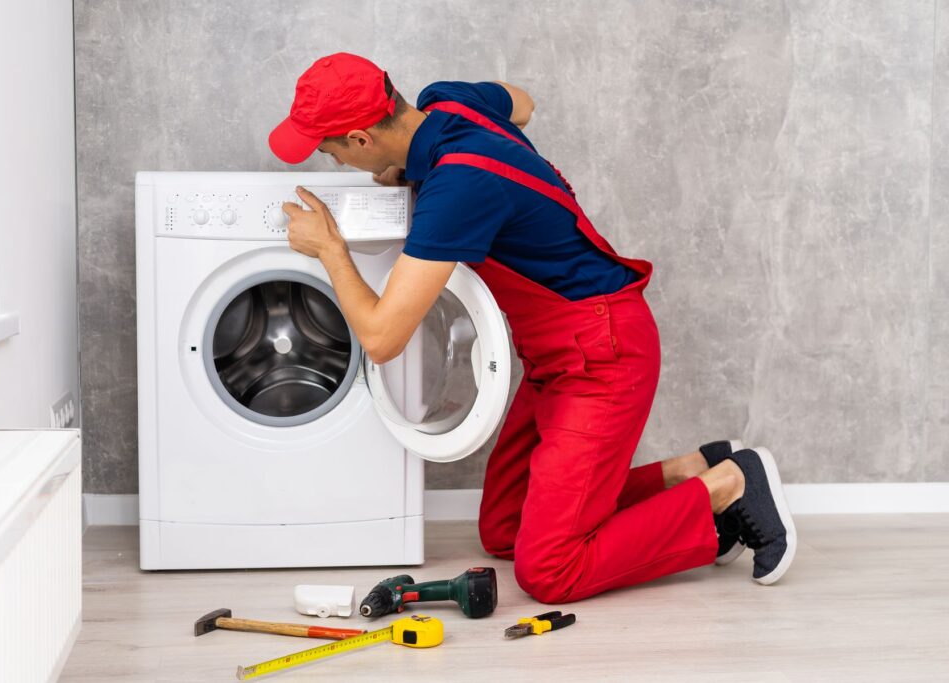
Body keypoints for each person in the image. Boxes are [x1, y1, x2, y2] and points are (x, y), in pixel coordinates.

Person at [268, 53, 796, 602]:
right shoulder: (448, 101)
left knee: (548, 569)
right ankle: (694, 468)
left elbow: (381, 339)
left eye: (331, 152)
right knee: (505, 529)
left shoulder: (455, 189)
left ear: (360, 140)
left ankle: (729, 484)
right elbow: (522, 102)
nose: (336, 163)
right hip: (556, 354)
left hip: (602, 352)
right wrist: (408, 168)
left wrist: (330, 250)